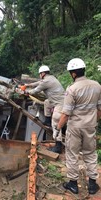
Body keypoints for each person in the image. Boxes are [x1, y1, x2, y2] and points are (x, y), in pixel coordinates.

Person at [56, 58, 101, 194]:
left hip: (75, 127)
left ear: (73, 73)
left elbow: (65, 114)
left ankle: (73, 184)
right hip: (90, 126)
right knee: (90, 153)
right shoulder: (97, 86)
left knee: (72, 154)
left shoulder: (72, 89)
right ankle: (93, 184)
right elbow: (99, 109)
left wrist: (58, 128)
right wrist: (94, 121)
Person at [25, 65, 65, 153]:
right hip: (57, 101)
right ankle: (47, 120)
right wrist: (28, 85)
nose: (40, 75)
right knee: (47, 102)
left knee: (55, 121)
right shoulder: (50, 78)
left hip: (60, 103)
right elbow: (39, 82)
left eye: (40, 74)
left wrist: (27, 92)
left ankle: (58, 145)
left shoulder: (46, 81)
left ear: (43, 73)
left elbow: (36, 90)